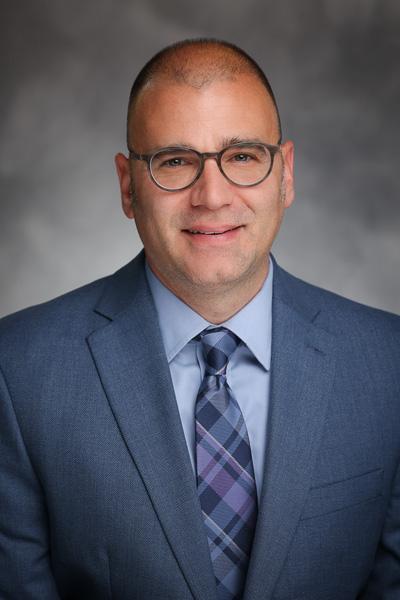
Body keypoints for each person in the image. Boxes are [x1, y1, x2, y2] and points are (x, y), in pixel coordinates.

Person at [0, 38, 399, 600]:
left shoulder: (389, 364)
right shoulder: (17, 372)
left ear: (284, 174)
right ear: (127, 186)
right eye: (175, 161)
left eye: (241, 156)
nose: (211, 196)